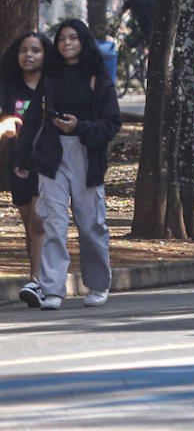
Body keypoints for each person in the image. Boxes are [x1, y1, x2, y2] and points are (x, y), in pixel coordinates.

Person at [31, 19, 122, 310]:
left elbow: (111, 123)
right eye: (61, 39)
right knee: (53, 223)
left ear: (83, 41)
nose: (67, 43)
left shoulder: (98, 77)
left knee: (91, 223)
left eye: (73, 38)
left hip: (86, 153)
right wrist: (23, 157)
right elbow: (35, 116)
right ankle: (53, 289)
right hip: (52, 155)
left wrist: (80, 127)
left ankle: (97, 285)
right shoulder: (51, 76)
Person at [0, 32, 49, 305]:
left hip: (48, 163)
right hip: (19, 165)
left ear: (45, 55)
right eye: (23, 50)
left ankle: (38, 281)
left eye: (35, 50)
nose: (28, 55)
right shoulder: (9, 86)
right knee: (30, 227)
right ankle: (37, 280)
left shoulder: (52, 86)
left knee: (39, 221)